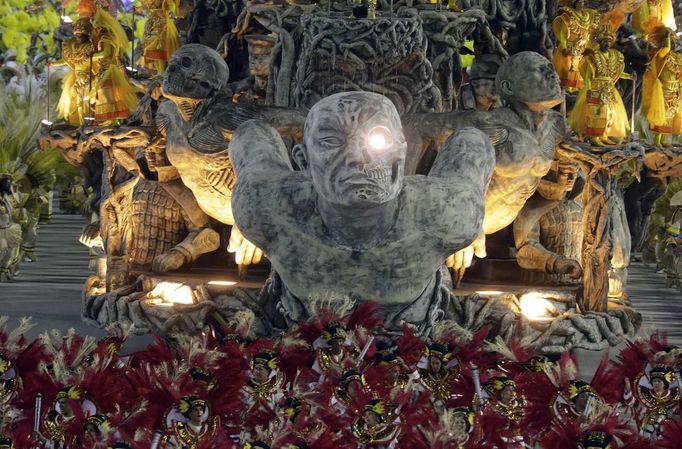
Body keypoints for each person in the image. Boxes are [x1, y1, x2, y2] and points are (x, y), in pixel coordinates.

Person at [568, 25, 634, 146]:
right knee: (597, 113)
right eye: (604, 42)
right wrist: (588, 87)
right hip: (596, 87)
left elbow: (616, 73)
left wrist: (629, 76)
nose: (607, 44)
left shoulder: (615, 56)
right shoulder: (593, 55)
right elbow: (588, 75)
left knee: (609, 113)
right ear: (600, 42)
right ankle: (594, 137)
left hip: (609, 89)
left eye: (609, 42)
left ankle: (603, 135)